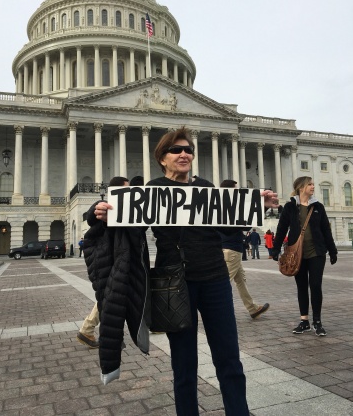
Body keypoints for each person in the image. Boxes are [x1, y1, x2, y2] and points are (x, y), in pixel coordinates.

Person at [93, 128, 278, 414]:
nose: (184, 154)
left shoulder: (206, 188)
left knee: (229, 359)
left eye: (188, 150)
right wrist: (103, 211)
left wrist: (256, 205)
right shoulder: (152, 190)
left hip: (215, 279)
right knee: (184, 364)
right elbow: (130, 224)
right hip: (174, 283)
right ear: (162, 158)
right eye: (176, 150)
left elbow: (228, 226)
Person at [272, 176, 337, 336]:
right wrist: (275, 249)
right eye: (310, 184)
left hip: (316, 252)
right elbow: (282, 228)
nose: (313, 187)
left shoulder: (318, 207)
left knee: (315, 285)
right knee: (301, 286)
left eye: (313, 184)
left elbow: (326, 230)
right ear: (301, 188)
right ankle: (304, 321)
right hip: (297, 255)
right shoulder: (290, 207)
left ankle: (317, 321)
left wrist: (332, 250)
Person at [76, 176, 131, 350]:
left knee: (113, 298)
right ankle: (89, 329)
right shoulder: (108, 208)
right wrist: (96, 209)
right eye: (126, 189)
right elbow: (94, 214)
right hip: (109, 262)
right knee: (111, 299)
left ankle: (89, 329)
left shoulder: (123, 210)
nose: (130, 192)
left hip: (115, 262)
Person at [220, 179, 270, 320]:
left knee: (241, 280)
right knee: (222, 283)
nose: (239, 192)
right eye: (236, 189)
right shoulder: (230, 206)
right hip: (231, 250)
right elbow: (246, 226)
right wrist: (263, 208)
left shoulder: (221, 206)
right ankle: (213, 312)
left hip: (230, 249)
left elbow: (245, 225)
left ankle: (253, 309)